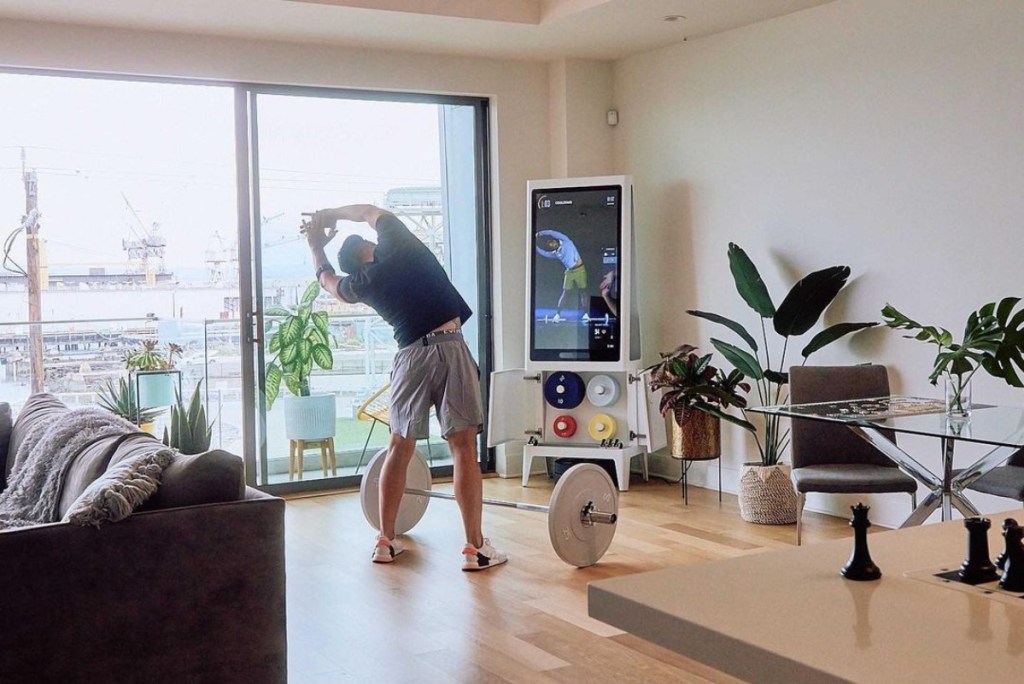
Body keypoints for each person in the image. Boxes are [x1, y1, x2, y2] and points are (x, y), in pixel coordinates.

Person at [303, 204, 507, 572]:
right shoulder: (398, 244)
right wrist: (331, 213)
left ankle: (385, 540)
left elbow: (328, 282)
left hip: (409, 355)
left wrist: (316, 245)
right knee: (462, 447)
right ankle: (475, 548)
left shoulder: (362, 284)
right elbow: (368, 211)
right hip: (449, 345)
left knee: (399, 446)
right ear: (369, 246)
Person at [535, 229, 587, 322]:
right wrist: (534, 246)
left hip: (579, 269)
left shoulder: (566, 241)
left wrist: (539, 234)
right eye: (550, 246)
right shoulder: (556, 253)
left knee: (583, 291)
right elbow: (545, 254)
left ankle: (586, 314)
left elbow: (551, 232)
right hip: (569, 272)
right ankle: (558, 314)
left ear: (554, 241)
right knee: (565, 292)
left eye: (552, 243)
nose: (552, 245)